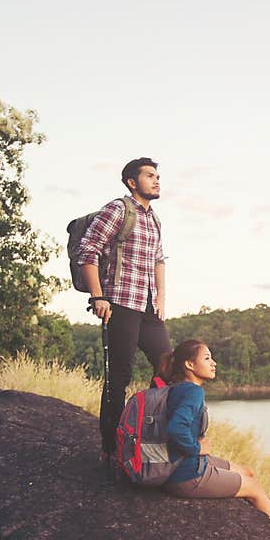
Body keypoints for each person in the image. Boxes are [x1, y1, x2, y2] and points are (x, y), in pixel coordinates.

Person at [77, 157, 171, 470]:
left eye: (158, 176)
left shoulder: (155, 219)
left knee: (167, 367)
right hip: (119, 302)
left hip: (147, 306)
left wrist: (161, 296)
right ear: (132, 182)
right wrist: (98, 296)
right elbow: (87, 251)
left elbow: (159, 259)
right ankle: (111, 449)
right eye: (149, 175)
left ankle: (155, 438)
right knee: (119, 378)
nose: (157, 180)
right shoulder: (118, 209)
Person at [159, 339, 270, 521]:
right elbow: (176, 428)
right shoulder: (193, 392)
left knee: (247, 472)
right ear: (190, 365)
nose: (213, 363)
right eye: (207, 358)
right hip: (186, 476)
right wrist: (197, 448)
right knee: (254, 488)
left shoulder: (174, 388)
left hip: (179, 465)